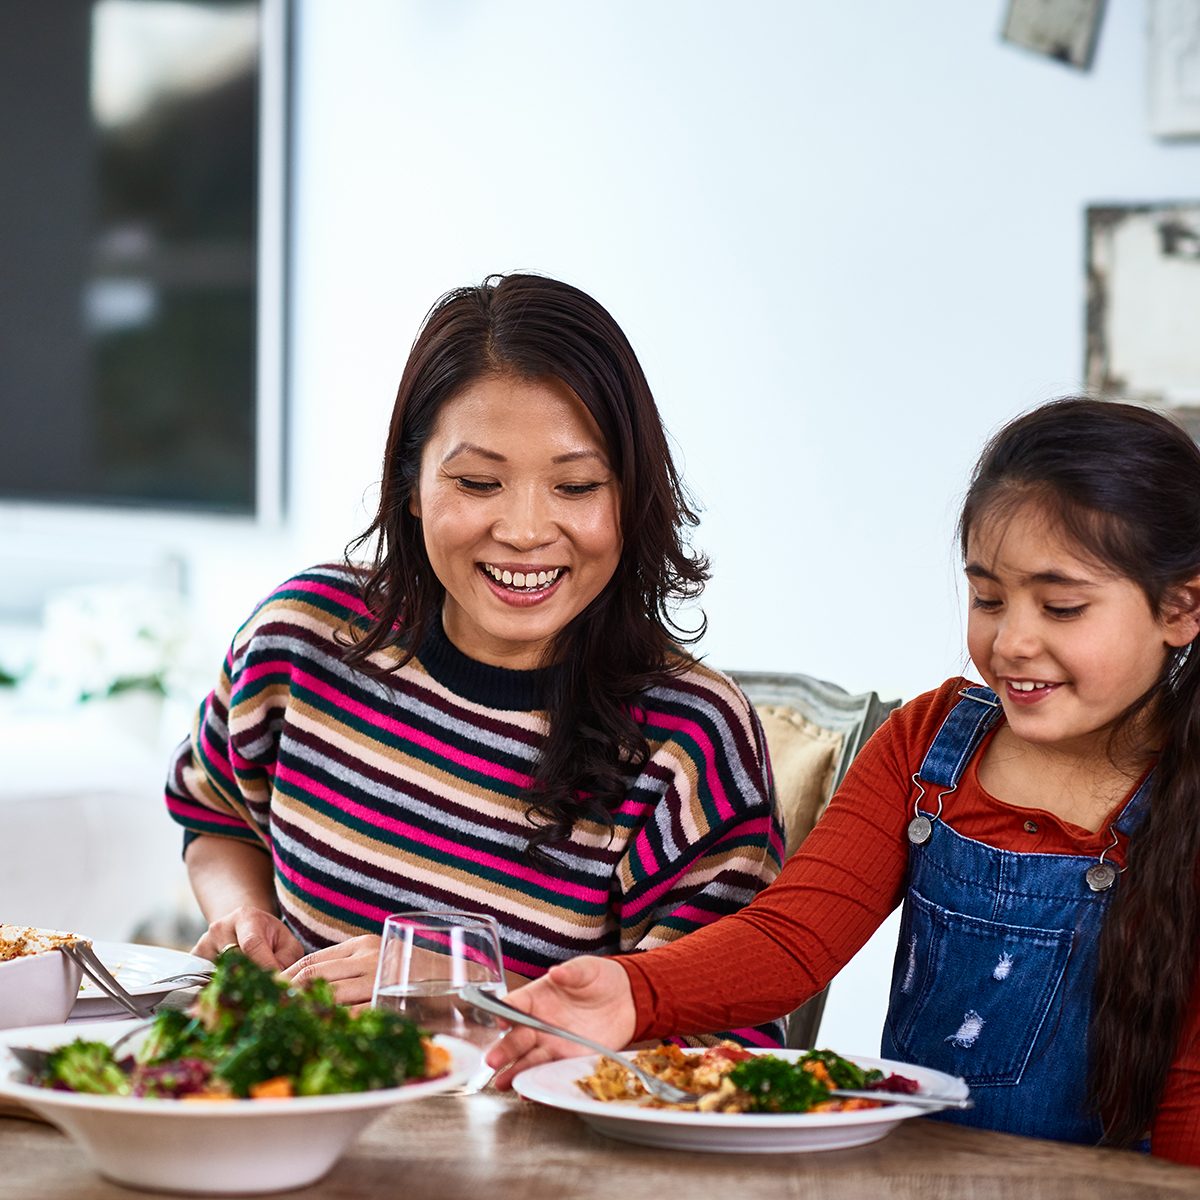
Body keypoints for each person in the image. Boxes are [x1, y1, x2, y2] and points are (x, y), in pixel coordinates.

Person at [488, 397, 1200, 1163]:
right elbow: (791, 940)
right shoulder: (929, 744)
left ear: (1181, 607)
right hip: (917, 1177)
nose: (1012, 640)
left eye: (1062, 607)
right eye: (988, 597)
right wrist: (633, 993)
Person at [165, 272, 785, 1046]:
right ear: (414, 483)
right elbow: (214, 810)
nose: (525, 530)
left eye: (577, 484)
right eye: (479, 482)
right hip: (288, 1121)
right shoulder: (305, 633)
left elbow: (723, 1033)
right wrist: (243, 917)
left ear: (630, 495)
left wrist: (467, 995)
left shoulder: (688, 736)